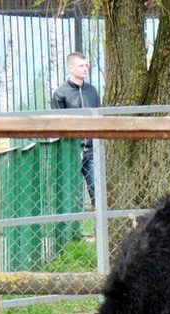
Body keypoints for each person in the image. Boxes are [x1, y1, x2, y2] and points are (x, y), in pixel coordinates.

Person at [51, 52, 101, 209]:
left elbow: (98, 120)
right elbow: (59, 126)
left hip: (93, 151)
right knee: (72, 198)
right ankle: (72, 231)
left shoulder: (92, 91)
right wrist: (73, 149)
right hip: (71, 153)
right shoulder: (61, 93)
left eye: (86, 65)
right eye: (81, 65)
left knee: (98, 195)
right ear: (70, 68)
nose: (85, 68)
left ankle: (99, 230)